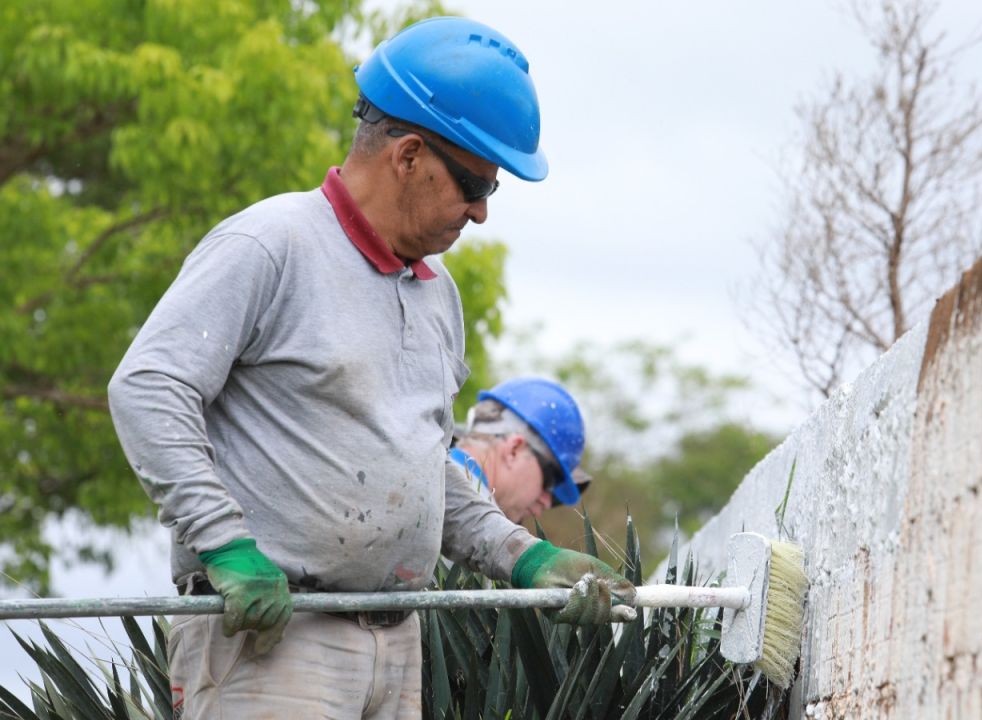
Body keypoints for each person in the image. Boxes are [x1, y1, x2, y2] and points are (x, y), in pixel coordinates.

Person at [107, 17, 634, 719]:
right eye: (476, 183)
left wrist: (524, 557)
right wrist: (225, 545)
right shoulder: (271, 245)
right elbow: (148, 387)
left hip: (395, 640)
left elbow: (420, 464)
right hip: (273, 637)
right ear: (409, 155)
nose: (480, 213)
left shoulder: (436, 293)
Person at [451, 377, 592, 524]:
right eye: (549, 480)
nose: (547, 503)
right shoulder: (455, 514)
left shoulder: (438, 479)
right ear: (514, 449)